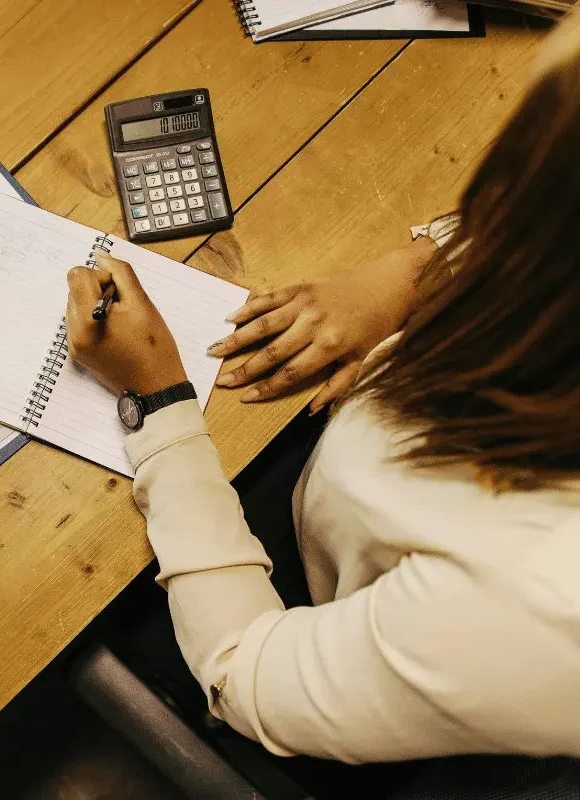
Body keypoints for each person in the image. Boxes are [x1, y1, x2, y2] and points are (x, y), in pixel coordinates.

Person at [63, 13, 580, 766]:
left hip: (324, 631)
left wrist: (160, 403)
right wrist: (415, 269)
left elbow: (245, 673)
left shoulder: (537, 606)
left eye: (520, 154)